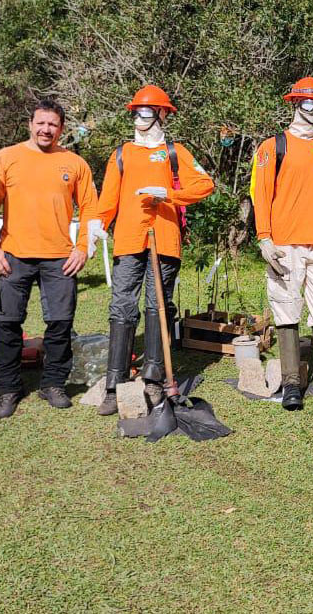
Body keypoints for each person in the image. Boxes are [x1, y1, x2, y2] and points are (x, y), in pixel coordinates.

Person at [0, 98, 104, 419]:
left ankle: (53, 384)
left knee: (60, 323)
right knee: (7, 323)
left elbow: (91, 208)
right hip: (13, 255)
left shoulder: (75, 164)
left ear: (61, 129)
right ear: (30, 125)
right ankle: (8, 388)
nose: (46, 129)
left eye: (53, 125)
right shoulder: (5, 159)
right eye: (41, 123)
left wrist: (83, 247)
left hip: (60, 257)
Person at [95, 85, 214, 416]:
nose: (139, 117)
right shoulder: (122, 153)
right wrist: (97, 226)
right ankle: (114, 383)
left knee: (157, 305)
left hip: (164, 238)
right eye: (136, 111)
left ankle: (153, 378)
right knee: (121, 306)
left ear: (162, 114)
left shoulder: (174, 152)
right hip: (128, 239)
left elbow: (205, 184)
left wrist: (168, 195)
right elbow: (108, 199)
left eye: (146, 111)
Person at [251, 77, 313, 411]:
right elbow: (261, 194)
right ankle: (292, 383)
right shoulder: (273, 146)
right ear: (295, 103)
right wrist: (264, 238)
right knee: (286, 308)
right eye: (307, 102)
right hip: (284, 243)